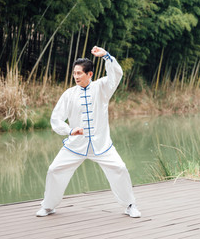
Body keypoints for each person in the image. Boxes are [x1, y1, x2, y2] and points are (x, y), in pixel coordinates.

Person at [36, 46, 141, 218]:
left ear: (90, 74)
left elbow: (116, 75)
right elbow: (55, 119)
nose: (76, 76)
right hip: (76, 145)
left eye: (79, 73)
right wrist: (69, 131)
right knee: (54, 169)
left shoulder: (102, 88)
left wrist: (107, 56)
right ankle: (48, 206)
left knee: (120, 168)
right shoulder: (69, 94)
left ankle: (130, 205)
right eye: (74, 73)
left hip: (101, 145)